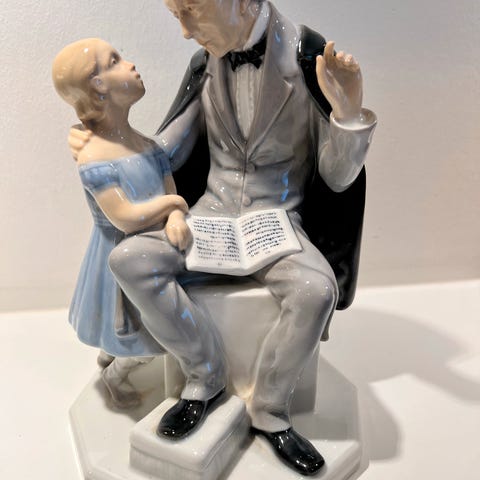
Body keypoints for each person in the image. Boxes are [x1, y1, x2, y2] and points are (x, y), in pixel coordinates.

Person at [69, 0, 376, 475]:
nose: (186, 31)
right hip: (211, 215)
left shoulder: (306, 60)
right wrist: (108, 137)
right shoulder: (205, 66)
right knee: (130, 260)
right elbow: (166, 151)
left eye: (191, 10)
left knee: (315, 291)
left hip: (278, 218)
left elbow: (337, 177)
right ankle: (204, 374)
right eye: (177, 16)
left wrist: (348, 113)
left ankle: (270, 409)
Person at [53, 38, 204, 408]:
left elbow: (169, 192)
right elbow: (123, 216)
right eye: (115, 61)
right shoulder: (95, 157)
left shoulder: (148, 147)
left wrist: (175, 215)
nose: (131, 64)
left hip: (152, 252)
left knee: (134, 330)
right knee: (142, 338)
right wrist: (175, 204)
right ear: (98, 85)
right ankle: (114, 376)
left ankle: (110, 359)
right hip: (118, 253)